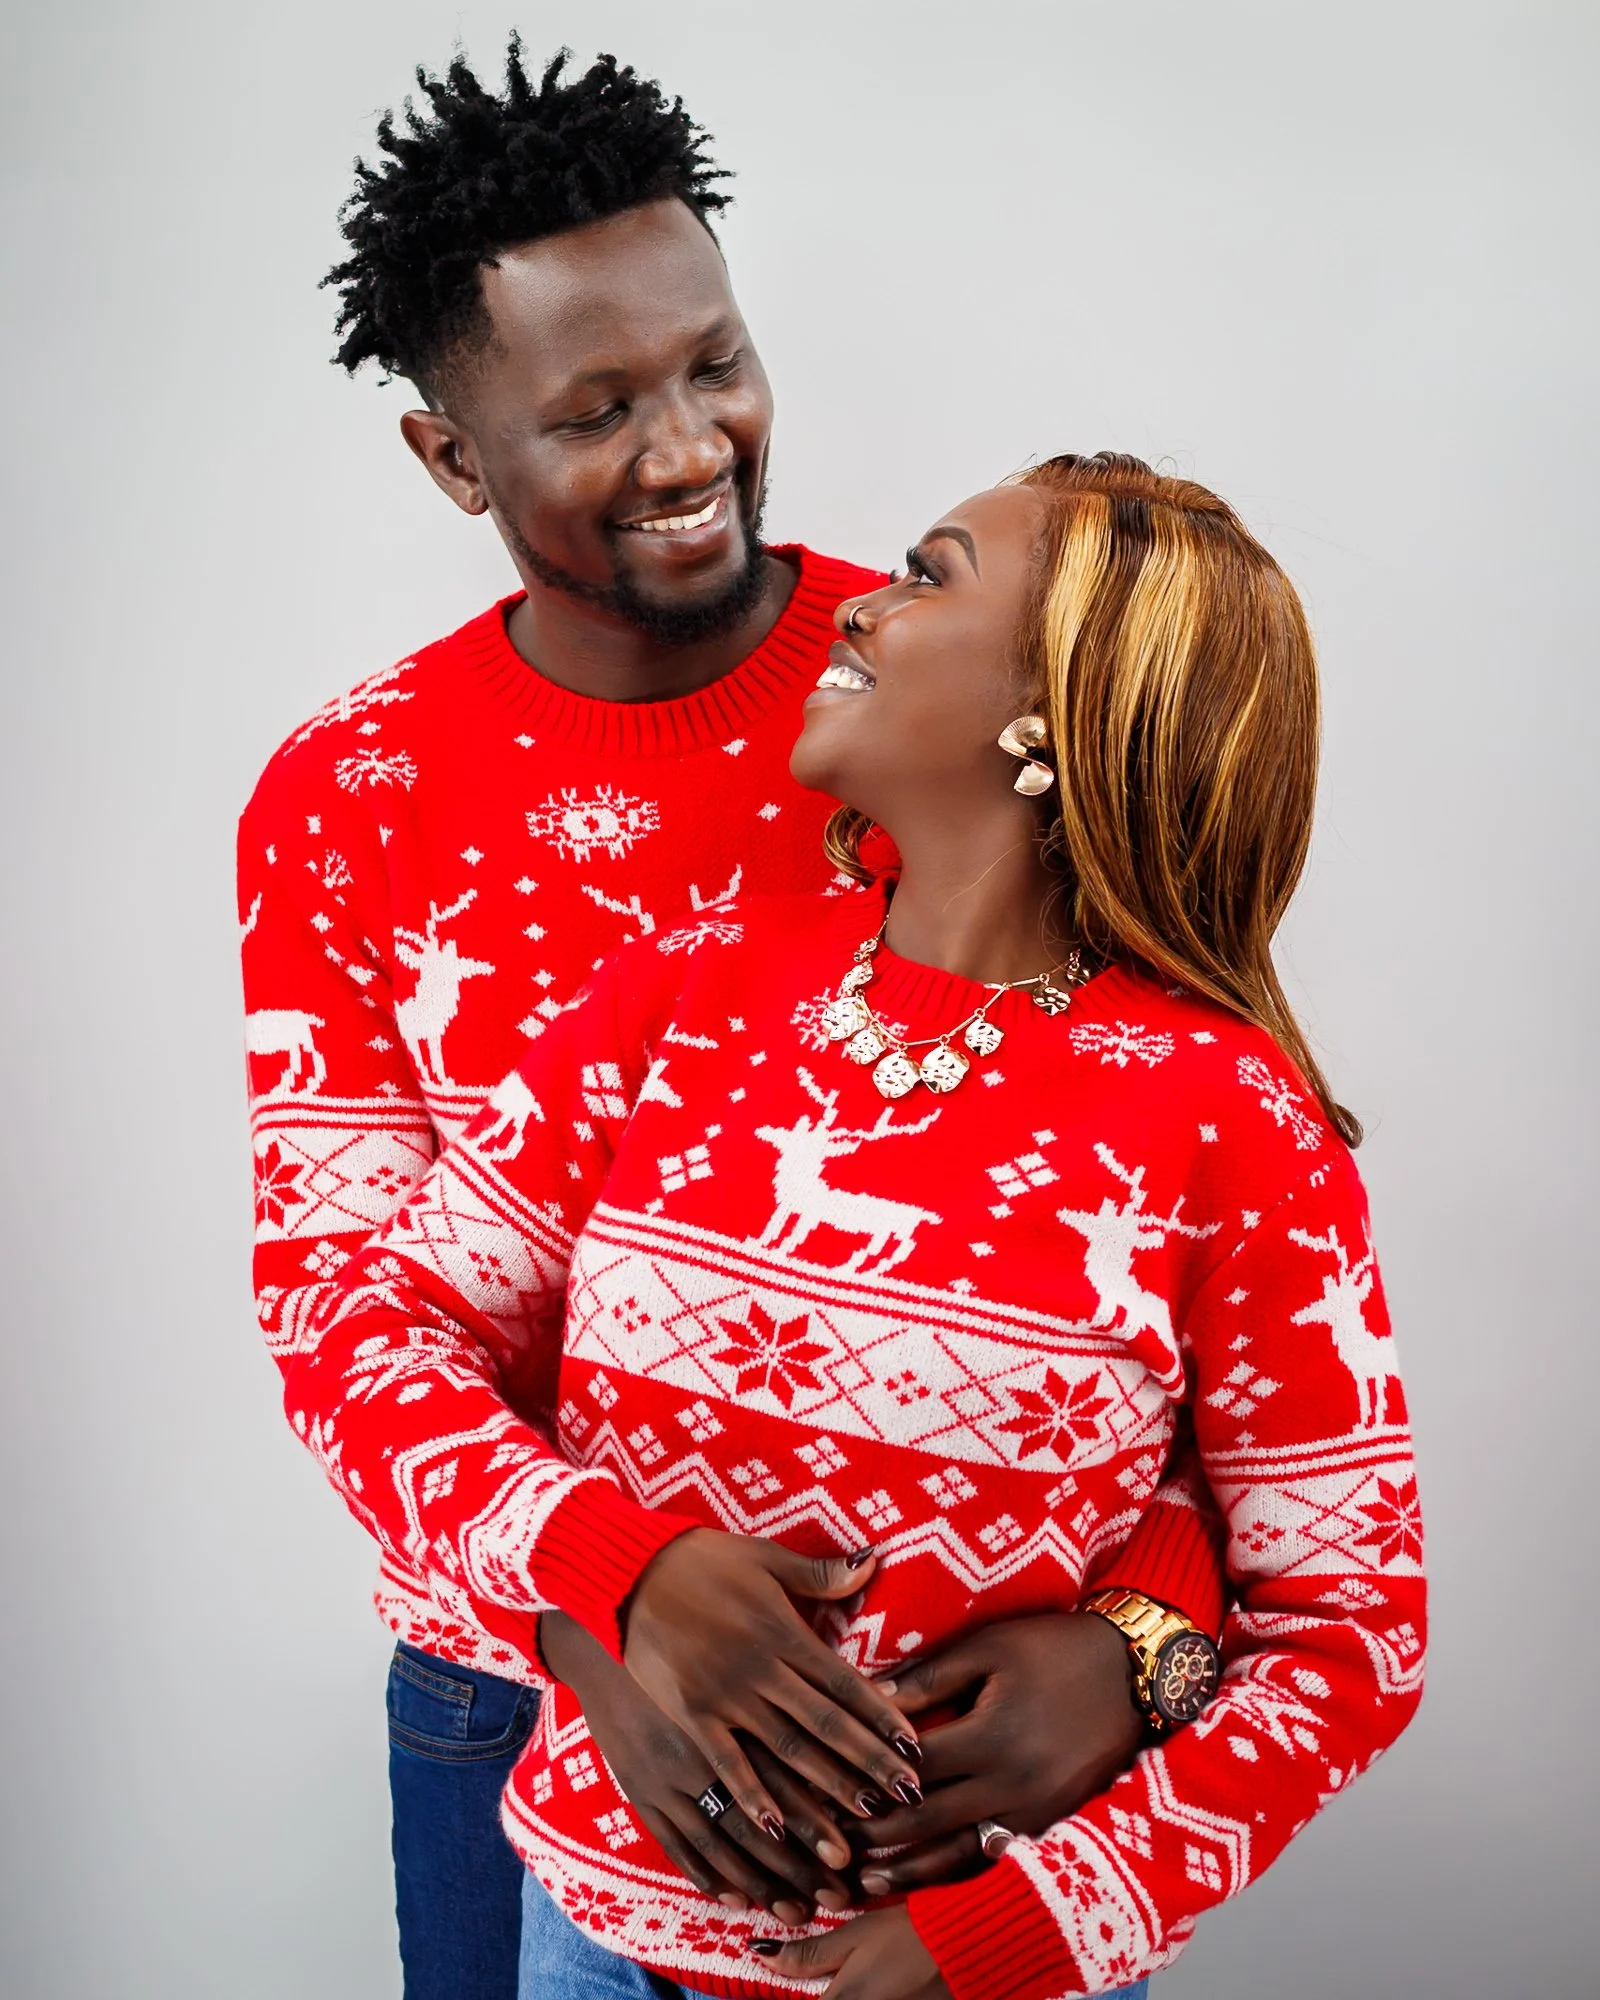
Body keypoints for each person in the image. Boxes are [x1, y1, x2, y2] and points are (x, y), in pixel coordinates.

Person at [238, 43, 1226, 1997]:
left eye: (713, 363)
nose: (689, 444)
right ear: (452, 457)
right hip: (511, 1685)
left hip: (938, 1709)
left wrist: (1141, 1643)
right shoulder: (351, 793)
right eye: (594, 408)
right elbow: (340, 1312)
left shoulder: (947, 690)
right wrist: (610, 1621)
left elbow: (1167, 1237)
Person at [286, 453, 1426, 2000]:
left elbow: (1351, 1628)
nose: (866, 605)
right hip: (587, 1947)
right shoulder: (682, 992)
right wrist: (609, 1569)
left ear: (1058, 703)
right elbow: (368, 1337)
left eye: (932, 573)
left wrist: (1038, 1926)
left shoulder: (1227, 1120)